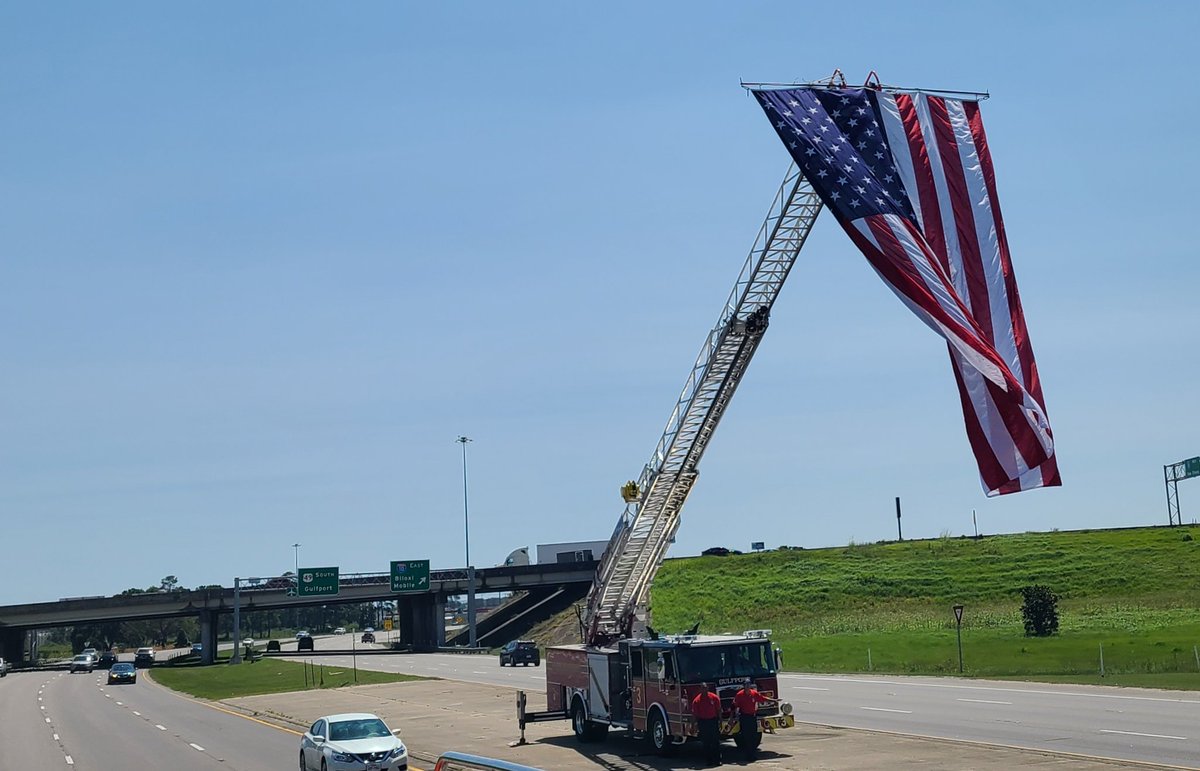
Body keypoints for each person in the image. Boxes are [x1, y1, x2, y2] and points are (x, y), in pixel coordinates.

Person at [733, 678, 769, 761]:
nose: (747, 686)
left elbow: (762, 698)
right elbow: (734, 706)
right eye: (746, 684)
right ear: (743, 686)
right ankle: (748, 756)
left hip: (752, 717)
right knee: (747, 738)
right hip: (744, 718)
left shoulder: (754, 693)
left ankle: (752, 755)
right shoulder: (739, 695)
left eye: (749, 684)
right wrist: (732, 718)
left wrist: (774, 700)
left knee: (753, 737)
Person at [690, 682, 723, 766]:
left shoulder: (714, 697)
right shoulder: (696, 701)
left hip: (713, 721)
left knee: (716, 741)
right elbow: (694, 715)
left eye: (705, 688)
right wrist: (693, 726)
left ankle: (717, 760)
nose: (704, 690)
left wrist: (720, 721)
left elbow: (719, 710)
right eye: (702, 688)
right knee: (706, 742)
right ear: (700, 689)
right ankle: (709, 760)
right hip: (703, 723)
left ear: (707, 688)